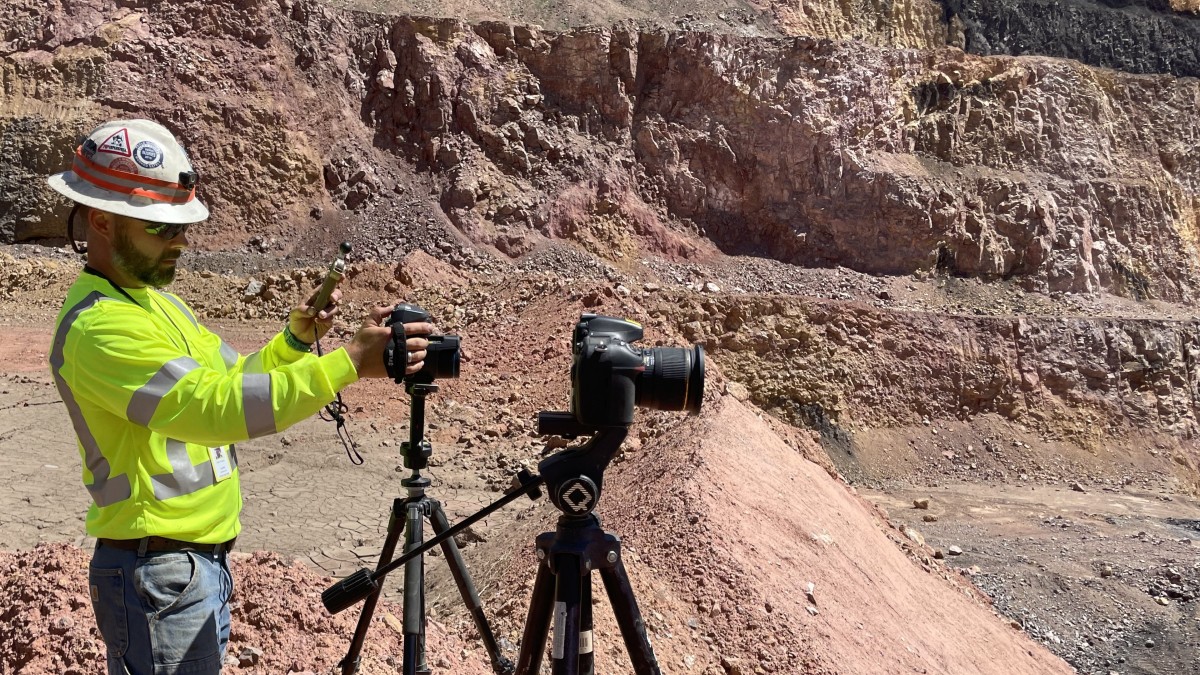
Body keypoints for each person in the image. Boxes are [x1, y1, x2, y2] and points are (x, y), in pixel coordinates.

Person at [46, 119, 433, 674]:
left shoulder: (155, 304)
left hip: (192, 568)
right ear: (103, 221)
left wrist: (296, 341)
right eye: (162, 228)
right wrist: (347, 362)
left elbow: (236, 381)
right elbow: (215, 411)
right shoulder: (98, 329)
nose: (180, 240)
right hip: (157, 573)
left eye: (181, 227)